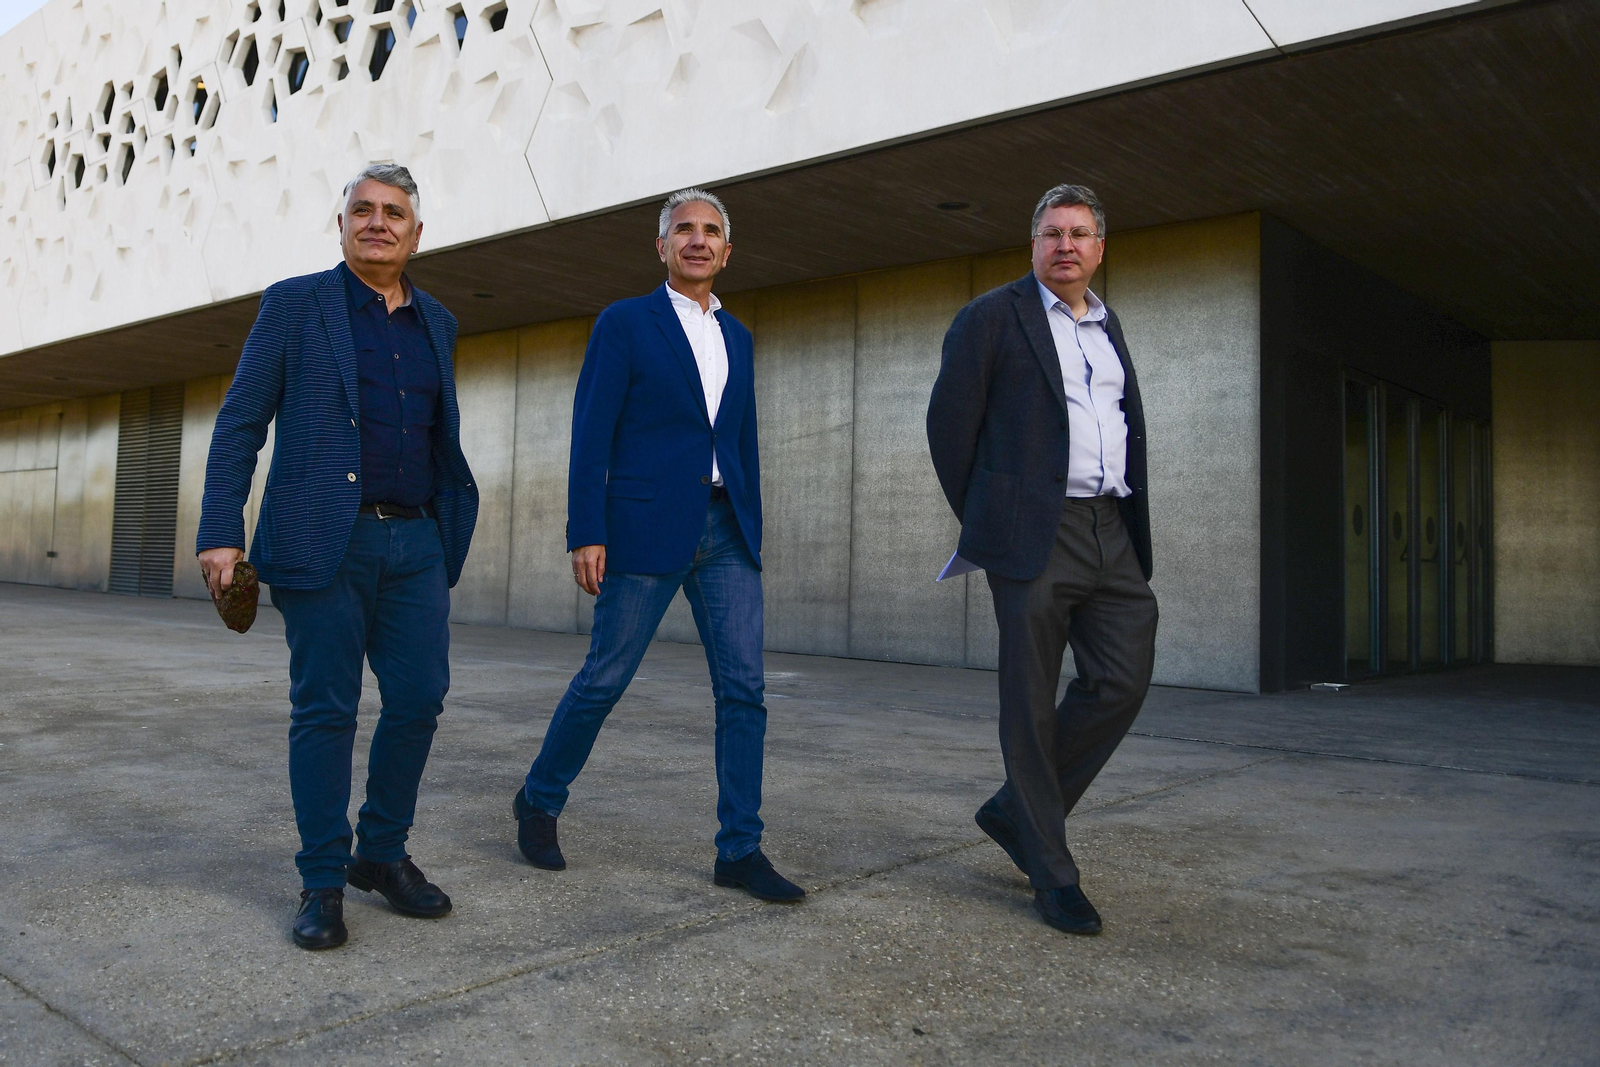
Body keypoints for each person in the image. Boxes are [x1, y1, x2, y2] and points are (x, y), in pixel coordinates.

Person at [197, 164, 479, 950]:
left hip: (416, 538)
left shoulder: (439, 321)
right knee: (325, 709)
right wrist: (220, 529)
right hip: (326, 538)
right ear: (343, 223)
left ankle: (380, 852)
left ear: (416, 234)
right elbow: (241, 419)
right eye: (364, 210)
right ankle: (322, 878)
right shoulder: (295, 305)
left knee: (419, 697)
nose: (378, 222)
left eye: (394, 213)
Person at [512, 188, 802, 903]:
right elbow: (592, 430)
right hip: (643, 527)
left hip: (725, 530)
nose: (698, 240)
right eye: (684, 230)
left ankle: (740, 848)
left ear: (727, 251)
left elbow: (741, 441)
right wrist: (587, 530)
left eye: (711, 231)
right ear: (662, 246)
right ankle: (539, 799)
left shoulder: (738, 337)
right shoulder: (625, 322)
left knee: (744, 690)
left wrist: (752, 524)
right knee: (605, 677)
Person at [926, 183, 1158, 935]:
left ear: (1099, 248)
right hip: (1035, 531)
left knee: (1121, 678)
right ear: (1034, 245)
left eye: (1079, 234)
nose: (1066, 245)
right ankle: (1052, 873)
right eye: (1053, 233)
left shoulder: (1108, 325)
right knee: (1028, 702)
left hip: (1111, 525)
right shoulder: (992, 317)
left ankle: (1014, 812)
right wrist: (993, 518)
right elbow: (948, 427)